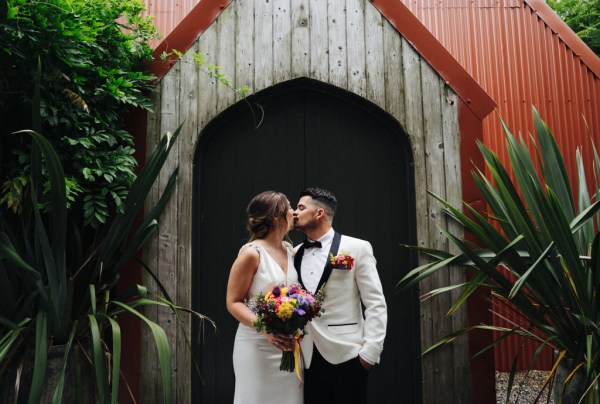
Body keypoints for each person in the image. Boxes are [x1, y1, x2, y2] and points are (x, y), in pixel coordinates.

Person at [293, 187, 387, 404]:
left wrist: (369, 354)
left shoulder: (358, 247)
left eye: (300, 207)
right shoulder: (295, 252)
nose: (294, 213)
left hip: (349, 355)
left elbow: (375, 303)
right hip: (307, 358)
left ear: (319, 213)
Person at [226, 191, 302, 404]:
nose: (294, 212)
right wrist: (265, 329)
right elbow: (233, 302)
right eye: (289, 207)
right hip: (256, 345)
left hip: (288, 344)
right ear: (276, 216)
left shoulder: (290, 251)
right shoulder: (251, 253)